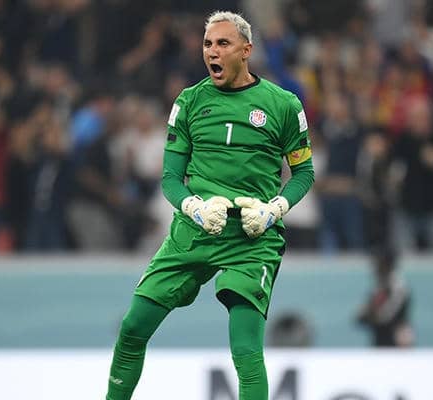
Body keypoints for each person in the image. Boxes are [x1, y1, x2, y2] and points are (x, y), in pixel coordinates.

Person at [105, 11, 314, 400]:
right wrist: (194, 207)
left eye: (222, 43)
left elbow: (304, 173)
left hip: (252, 238)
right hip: (195, 229)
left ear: (246, 50)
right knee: (132, 327)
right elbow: (170, 179)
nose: (212, 52)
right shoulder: (189, 102)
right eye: (207, 44)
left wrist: (274, 209)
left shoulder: (283, 104)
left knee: (246, 350)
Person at [355, 247, 413, 347]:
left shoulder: (397, 288)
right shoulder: (378, 288)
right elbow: (360, 316)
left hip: (396, 345)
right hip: (381, 342)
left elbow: (384, 317)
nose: (374, 268)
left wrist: (369, 315)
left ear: (387, 265)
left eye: (377, 264)